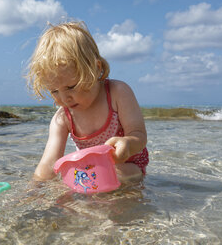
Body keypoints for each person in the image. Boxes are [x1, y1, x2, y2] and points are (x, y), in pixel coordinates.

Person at [26, 21, 149, 182]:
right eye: (54, 91)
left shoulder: (118, 93)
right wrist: (34, 190)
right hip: (92, 173)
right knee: (69, 182)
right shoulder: (62, 119)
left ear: (96, 69)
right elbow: (49, 163)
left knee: (114, 173)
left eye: (71, 86)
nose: (64, 99)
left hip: (128, 166)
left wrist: (127, 143)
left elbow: (138, 134)